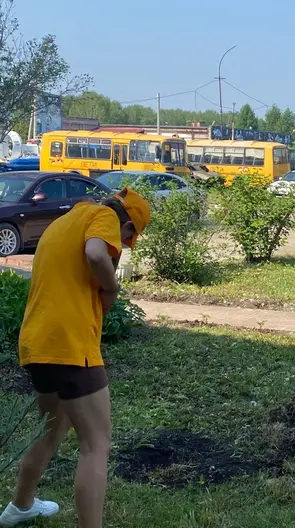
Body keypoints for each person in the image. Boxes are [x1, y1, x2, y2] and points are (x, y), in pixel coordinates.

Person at [0, 189, 151, 528]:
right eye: (126, 241)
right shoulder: (104, 218)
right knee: (96, 445)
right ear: (126, 224)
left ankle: (21, 506)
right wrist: (111, 289)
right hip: (70, 344)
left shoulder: (65, 220)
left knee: (51, 429)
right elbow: (96, 254)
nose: (121, 249)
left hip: (38, 342)